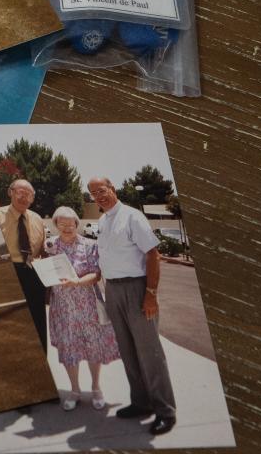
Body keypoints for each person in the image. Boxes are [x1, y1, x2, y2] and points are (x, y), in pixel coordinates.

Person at [88, 176, 177, 436]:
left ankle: (165, 411)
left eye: (102, 190)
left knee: (150, 353)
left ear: (112, 188)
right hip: (113, 290)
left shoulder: (132, 216)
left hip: (137, 289)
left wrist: (150, 294)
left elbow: (153, 254)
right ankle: (141, 402)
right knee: (128, 351)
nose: (99, 196)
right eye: (94, 193)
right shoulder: (103, 222)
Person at [44, 206, 120, 411]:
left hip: (87, 305)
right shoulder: (50, 247)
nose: (68, 227)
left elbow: (96, 274)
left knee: (92, 346)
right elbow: (46, 271)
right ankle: (75, 390)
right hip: (62, 308)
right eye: (62, 224)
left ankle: (96, 388)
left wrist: (76, 282)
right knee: (69, 348)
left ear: (77, 224)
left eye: (71, 224)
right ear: (56, 225)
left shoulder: (89, 245)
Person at [0, 179, 47, 350]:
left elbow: (43, 250)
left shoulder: (38, 219)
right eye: (20, 193)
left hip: (33, 273)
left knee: (38, 323)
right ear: (11, 192)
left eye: (29, 195)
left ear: (33, 198)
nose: (24, 198)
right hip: (8, 274)